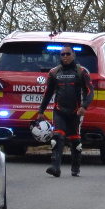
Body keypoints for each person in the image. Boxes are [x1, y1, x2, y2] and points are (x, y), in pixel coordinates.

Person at [36, 45, 94, 177]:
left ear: (73, 55)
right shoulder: (54, 72)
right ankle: (55, 168)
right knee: (57, 137)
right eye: (62, 54)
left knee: (75, 141)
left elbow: (90, 91)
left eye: (68, 54)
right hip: (59, 110)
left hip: (76, 112)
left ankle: (75, 168)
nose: (65, 57)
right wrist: (41, 111)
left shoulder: (82, 72)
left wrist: (84, 106)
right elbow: (48, 93)